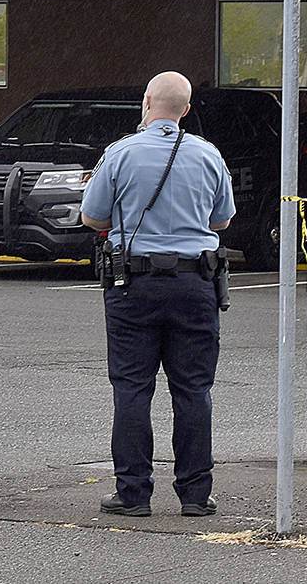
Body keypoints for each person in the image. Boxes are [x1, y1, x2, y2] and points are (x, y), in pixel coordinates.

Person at [80, 71, 235, 518]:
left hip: (134, 283)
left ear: (146, 101)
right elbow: (221, 220)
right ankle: (194, 494)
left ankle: (132, 494)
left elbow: (93, 218)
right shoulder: (207, 155)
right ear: (186, 109)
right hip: (195, 284)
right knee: (193, 390)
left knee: (132, 388)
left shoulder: (121, 153)